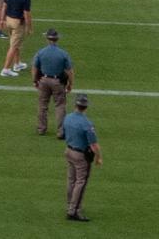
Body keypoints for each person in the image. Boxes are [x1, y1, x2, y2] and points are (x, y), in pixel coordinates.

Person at [60, 94, 97, 222]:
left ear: (75, 105)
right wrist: (98, 157)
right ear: (85, 107)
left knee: (71, 180)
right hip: (80, 155)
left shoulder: (67, 118)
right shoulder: (86, 123)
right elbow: (93, 144)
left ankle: (70, 206)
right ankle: (74, 211)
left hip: (69, 151)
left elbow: (63, 134)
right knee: (80, 182)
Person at [32, 28, 74, 135]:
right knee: (60, 106)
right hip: (58, 82)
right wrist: (70, 84)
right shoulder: (63, 54)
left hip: (43, 81)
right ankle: (61, 132)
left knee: (42, 105)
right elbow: (70, 71)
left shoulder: (41, 52)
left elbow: (34, 68)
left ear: (47, 39)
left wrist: (35, 80)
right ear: (57, 39)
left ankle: (41, 129)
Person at [0, 0, 32, 75]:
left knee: (15, 44)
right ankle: (6, 69)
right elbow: (26, 14)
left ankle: (17, 64)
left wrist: (1, 19)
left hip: (8, 20)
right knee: (13, 46)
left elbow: (4, 6)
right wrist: (29, 27)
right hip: (18, 23)